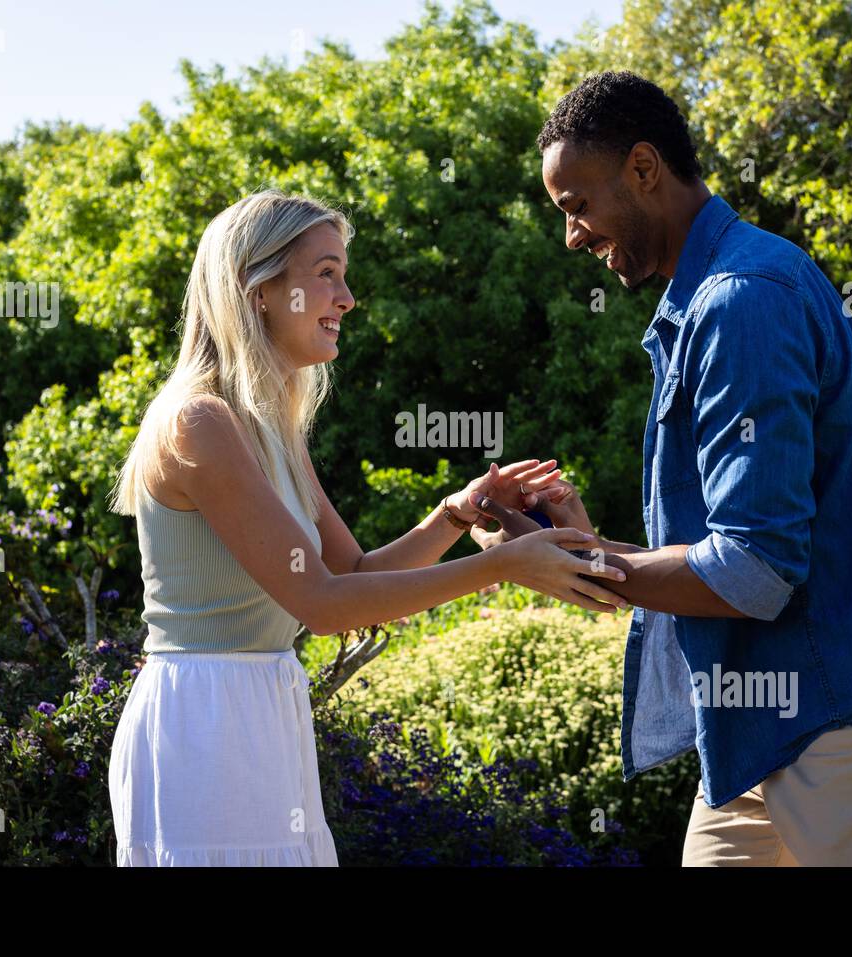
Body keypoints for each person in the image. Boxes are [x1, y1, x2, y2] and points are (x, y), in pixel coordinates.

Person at [494, 70, 852, 865]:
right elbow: (732, 549)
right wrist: (575, 555)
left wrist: (579, 564)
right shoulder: (708, 300)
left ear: (644, 169)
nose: (573, 235)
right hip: (759, 734)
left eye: (577, 206)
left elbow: (754, 567)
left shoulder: (739, 300)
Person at [104, 188, 627, 866]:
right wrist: (502, 564)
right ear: (258, 289)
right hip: (204, 724)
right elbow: (321, 605)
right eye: (326, 274)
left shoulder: (270, 430)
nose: (347, 298)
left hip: (262, 707)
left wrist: (456, 512)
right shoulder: (199, 422)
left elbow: (353, 575)